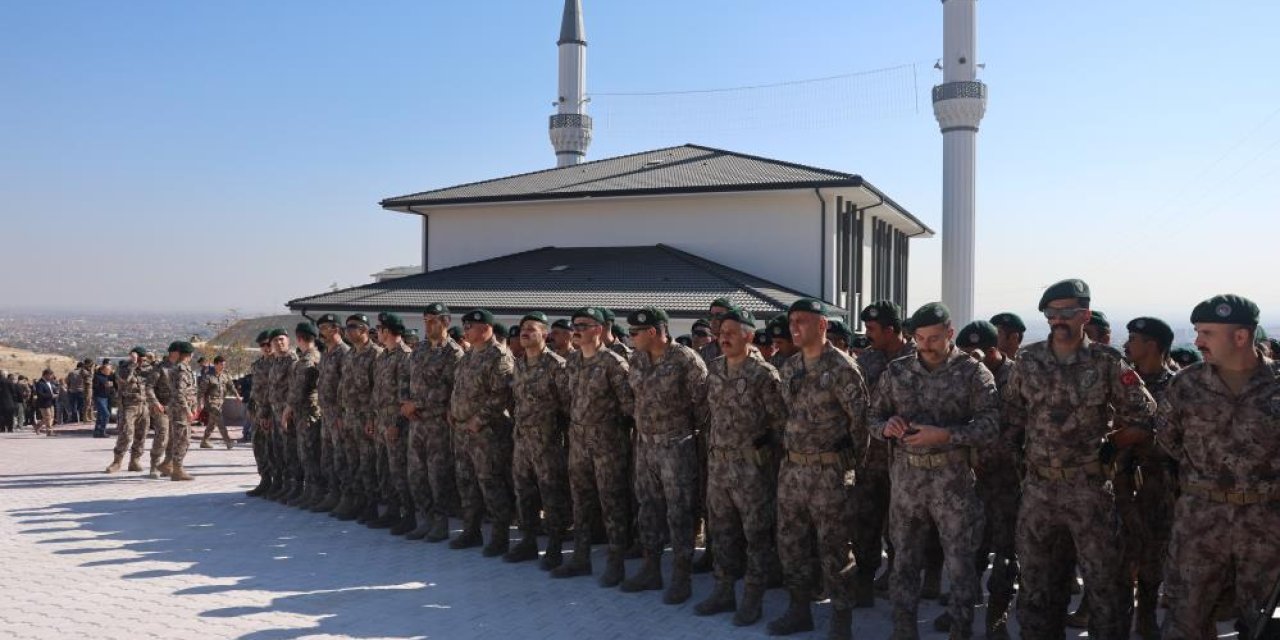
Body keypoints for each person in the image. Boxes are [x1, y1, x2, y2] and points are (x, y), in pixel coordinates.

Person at [1003, 279, 1156, 640]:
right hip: (1039, 491)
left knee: (1105, 585)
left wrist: (1113, 443)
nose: (1058, 320)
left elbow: (1146, 415)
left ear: (1084, 315)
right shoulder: (1028, 360)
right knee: (1038, 586)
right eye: (1051, 313)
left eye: (1067, 312)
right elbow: (1010, 417)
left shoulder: (1106, 362)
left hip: (1089, 491)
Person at [872, 303, 999, 639]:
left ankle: (960, 630)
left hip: (953, 484)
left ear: (950, 333)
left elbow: (990, 426)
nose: (926, 345)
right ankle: (903, 629)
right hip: (907, 485)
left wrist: (945, 435)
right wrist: (888, 426)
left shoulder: (972, 373)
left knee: (960, 565)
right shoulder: (897, 371)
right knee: (904, 562)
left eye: (934, 338)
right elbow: (872, 419)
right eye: (920, 338)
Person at [1156, 294, 1280, 639]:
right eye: (1197, 332)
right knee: (1187, 619)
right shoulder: (1186, 384)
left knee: (1266, 625)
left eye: (1207, 333)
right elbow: (1169, 442)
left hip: (1267, 527)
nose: (1196, 342)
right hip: (1200, 523)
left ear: (1240, 337)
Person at [770, 298, 868, 640]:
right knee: (791, 544)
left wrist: (850, 468)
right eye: (792, 321)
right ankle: (799, 611)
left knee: (835, 549)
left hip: (830, 474)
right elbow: (785, 415)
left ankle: (841, 622)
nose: (794, 327)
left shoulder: (842, 368)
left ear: (823, 326)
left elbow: (861, 425)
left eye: (803, 321)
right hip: (793, 471)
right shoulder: (791, 366)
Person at [694, 307, 784, 626]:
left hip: (752, 471)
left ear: (748, 335)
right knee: (721, 532)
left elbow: (779, 424)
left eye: (732, 332)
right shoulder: (715, 369)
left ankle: (753, 599)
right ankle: (723, 591)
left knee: (756, 536)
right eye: (721, 332)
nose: (724, 337)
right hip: (719, 467)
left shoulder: (764, 374)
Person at [619, 306, 708, 605]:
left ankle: (681, 578)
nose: (631, 338)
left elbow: (703, 407)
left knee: (679, 512)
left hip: (676, 446)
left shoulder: (685, 360)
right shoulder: (637, 359)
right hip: (645, 445)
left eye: (635, 333)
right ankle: (651, 569)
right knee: (648, 509)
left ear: (653, 332)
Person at [551, 306, 635, 586]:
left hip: (607, 445)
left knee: (612, 504)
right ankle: (580, 559)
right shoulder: (572, 363)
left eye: (583, 325)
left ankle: (616, 564)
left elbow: (628, 407)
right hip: (578, 444)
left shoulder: (614, 363)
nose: (576, 329)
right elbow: (567, 400)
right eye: (575, 325)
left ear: (598, 330)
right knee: (581, 503)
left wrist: (609, 432)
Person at [953, 320, 1020, 638]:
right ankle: (961, 612)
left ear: (994, 350)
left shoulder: (1017, 378)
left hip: (1007, 480)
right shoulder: (963, 375)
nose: (971, 359)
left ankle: (997, 617)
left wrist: (983, 458)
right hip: (970, 478)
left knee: (1006, 553)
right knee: (967, 550)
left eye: (977, 353)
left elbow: (1019, 430)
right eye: (964, 353)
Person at [1119, 316, 1178, 639]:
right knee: (1117, 556)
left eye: (1134, 339)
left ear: (1152, 345)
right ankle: (1119, 615)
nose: (1128, 345)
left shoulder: (1176, 385)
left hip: (1156, 484)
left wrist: (1141, 437)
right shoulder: (1121, 380)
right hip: (1117, 482)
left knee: (1152, 554)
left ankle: (1146, 616)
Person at [857, 300, 917, 602]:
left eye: (871, 329)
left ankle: (898, 576)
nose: (867, 334)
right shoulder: (866, 360)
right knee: (866, 521)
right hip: (872, 458)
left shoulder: (917, 358)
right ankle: (865, 580)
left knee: (901, 525)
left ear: (891, 330)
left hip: (908, 461)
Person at [448, 308, 517, 556]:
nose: (465, 331)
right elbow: (459, 388)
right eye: (464, 327)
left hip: (487, 432)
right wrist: (453, 411)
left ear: (486, 328)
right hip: (463, 430)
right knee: (467, 483)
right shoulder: (468, 356)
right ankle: (471, 531)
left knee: (491, 483)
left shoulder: (499, 356)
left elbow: (501, 395)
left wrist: (480, 419)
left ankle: (500, 537)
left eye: (470, 327)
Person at [505, 311, 571, 567]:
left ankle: (554, 546)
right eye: (523, 328)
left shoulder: (556, 365)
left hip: (548, 442)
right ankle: (528, 541)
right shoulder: (519, 363)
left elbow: (567, 406)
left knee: (552, 494)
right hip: (522, 441)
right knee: (524, 493)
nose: (525, 332)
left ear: (544, 334)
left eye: (531, 329)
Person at [401, 303, 465, 541]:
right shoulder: (419, 349)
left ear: (446, 322)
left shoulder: (454, 353)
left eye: (433, 320)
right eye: (426, 320)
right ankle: (425, 519)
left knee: (437, 475)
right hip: (416, 422)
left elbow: (450, 388)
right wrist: (404, 403)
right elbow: (406, 378)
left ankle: (440, 522)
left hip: (438, 422)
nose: (428, 325)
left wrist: (416, 404)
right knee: (416, 473)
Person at [333, 315, 383, 521]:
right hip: (349, 417)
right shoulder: (350, 354)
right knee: (352, 463)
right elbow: (342, 386)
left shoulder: (376, 354)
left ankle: (371, 506)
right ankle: (357, 502)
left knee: (368, 464)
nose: (347, 331)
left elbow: (378, 391)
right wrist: (340, 413)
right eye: (347, 327)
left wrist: (372, 418)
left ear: (364, 330)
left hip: (366, 420)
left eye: (352, 327)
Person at [367, 314, 414, 531]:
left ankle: (409, 514)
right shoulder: (383, 356)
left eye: (380, 328)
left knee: (399, 471)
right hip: (381, 420)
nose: (377, 332)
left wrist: (396, 423)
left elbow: (405, 395)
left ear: (388, 332)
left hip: (397, 422)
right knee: (384, 468)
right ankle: (392, 510)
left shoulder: (405, 356)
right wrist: (373, 418)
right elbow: (376, 392)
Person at [313, 314, 350, 513]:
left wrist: (341, 415)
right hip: (325, 413)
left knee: (340, 457)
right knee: (327, 456)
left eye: (325, 328)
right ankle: (333, 493)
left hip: (338, 414)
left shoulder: (344, 353)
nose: (321, 332)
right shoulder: (327, 353)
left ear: (335, 329)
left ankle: (346, 497)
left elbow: (346, 387)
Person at [285, 323, 324, 509]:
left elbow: (299, 390)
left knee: (309, 454)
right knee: (307, 453)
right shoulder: (313, 357)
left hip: (308, 413)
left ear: (299, 338)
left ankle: (315, 493)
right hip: (307, 413)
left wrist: (288, 409)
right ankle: (310, 492)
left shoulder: (308, 360)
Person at [157, 341, 199, 481]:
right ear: (190, 354)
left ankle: (168, 465)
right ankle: (177, 470)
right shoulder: (181, 369)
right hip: (180, 410)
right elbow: (179, 393)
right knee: (182, 440)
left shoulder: (180, 368)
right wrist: (187, 410)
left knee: (179, 438)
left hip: (179, 409)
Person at [198, 356, 240, 450]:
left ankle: (204, 441)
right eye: (221, 364)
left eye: (224, 365)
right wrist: (200, 402)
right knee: (220, 420)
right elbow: (201, 391)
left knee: (212, 423)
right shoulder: (208, 376)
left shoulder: (225, 374)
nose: (223, 366)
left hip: (220, 402)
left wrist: (236, 395)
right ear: (215, 364)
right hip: (211, 402)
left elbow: (231, 386)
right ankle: (228, 441)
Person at [92, 362, 114, 437]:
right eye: (108, 369)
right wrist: (104, 386)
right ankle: (102, 431)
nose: (109, 371)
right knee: (106, 414)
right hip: (99, 397)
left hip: (106, 398)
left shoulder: (108, 377)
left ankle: (97, 431)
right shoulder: (97, 377)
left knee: (100, 415)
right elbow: (95, 387)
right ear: (103, 370)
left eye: (110, 370)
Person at [34, 369, 59, 436]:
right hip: (44, 403)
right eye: (50, 375)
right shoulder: (40, 383)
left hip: (50, 402)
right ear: (46, 375)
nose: (51, 377)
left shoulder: (49, 382)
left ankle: (37, 426)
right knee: (47, 417)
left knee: (50, 417)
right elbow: (40, 394)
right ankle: (49, 432)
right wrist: (51, 395)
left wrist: (55, 394)